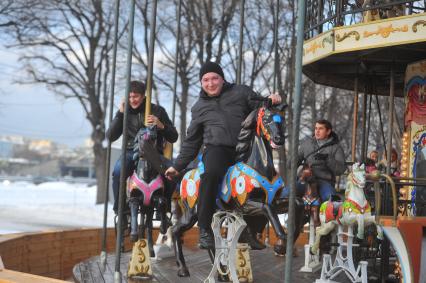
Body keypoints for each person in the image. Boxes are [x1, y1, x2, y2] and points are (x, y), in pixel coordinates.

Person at [164, 61, 281, 249]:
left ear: (222, 78)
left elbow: (261, 106)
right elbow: (192, 141)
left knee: (263, 184)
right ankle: (204, 229)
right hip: (217, 149)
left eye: (214, 78)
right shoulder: (199, 107)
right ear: (201, 83)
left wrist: (272, 99)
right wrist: (177, 166)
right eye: (205, 80)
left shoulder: (240, 92)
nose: (210, 83)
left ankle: (249, 231)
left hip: (245, 148)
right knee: (211, 174)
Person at [107, 80, 178, 214]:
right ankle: (120, 208)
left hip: (153, 152)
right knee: (118, 171)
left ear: (144, 96)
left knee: (172, 173)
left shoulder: (157, 110)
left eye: (136, 96)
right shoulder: (125, 112)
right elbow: (110, 136)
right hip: (131, 151)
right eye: (129, 97)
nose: (132, 100)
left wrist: (161, 125)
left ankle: (165, 204)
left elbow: (173, 136)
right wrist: (120, 114)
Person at [281, 119, 346, 202]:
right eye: (316, 128)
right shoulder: (306, 144)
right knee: (286, 193)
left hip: (324, 181)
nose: (317, 131)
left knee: (331, 199)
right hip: (306, 180)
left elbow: (340, 169)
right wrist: (294, 156)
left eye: (321, 128)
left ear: (328, 131)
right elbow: (290, 165)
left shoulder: (336, 147)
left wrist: (328, 159)